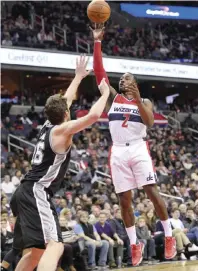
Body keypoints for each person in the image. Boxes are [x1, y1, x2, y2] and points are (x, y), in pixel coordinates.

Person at [12, 55, 112, 271]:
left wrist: (77, 78)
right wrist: (105, 94)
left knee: (36, 252)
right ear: (66, 113)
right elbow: (94, 115)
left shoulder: (49, 123)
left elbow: (65, 100)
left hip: (25, 190)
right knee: (55, 246)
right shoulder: (62, 129)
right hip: (37, 192)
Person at [91, 24, 176, 266]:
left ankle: (169, 236)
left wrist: (137, 98)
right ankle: (134, 243)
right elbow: (99, 72)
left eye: (127, 78)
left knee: (151, 191)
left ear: (135, 83)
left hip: (138, 147)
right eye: (121, 78)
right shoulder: (113, 99)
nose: (122, 80)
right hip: (118, 150)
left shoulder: (145, 101)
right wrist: (97, 42)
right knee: (124, 200)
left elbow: (149, 123)